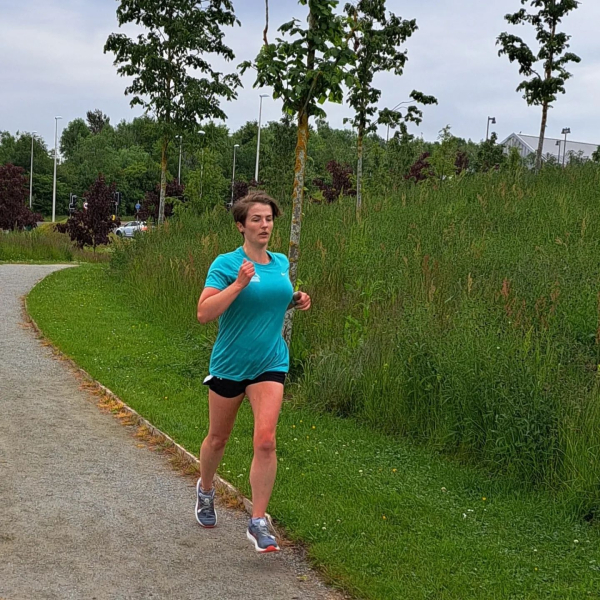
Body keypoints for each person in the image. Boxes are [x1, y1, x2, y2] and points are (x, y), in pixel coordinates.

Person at [195, 191, 311, 553]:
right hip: (230, 365)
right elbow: (204, 313)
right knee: (218, 438)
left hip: (269, 363)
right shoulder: (227, 264)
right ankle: (206, 489)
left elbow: (271, 301)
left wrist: (295, 299)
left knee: (266, 440)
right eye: (257, 219)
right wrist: (239, 283)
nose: (265, 225)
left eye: (269, 219)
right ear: (241, 226)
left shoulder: (278, 263)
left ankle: (259, 521)